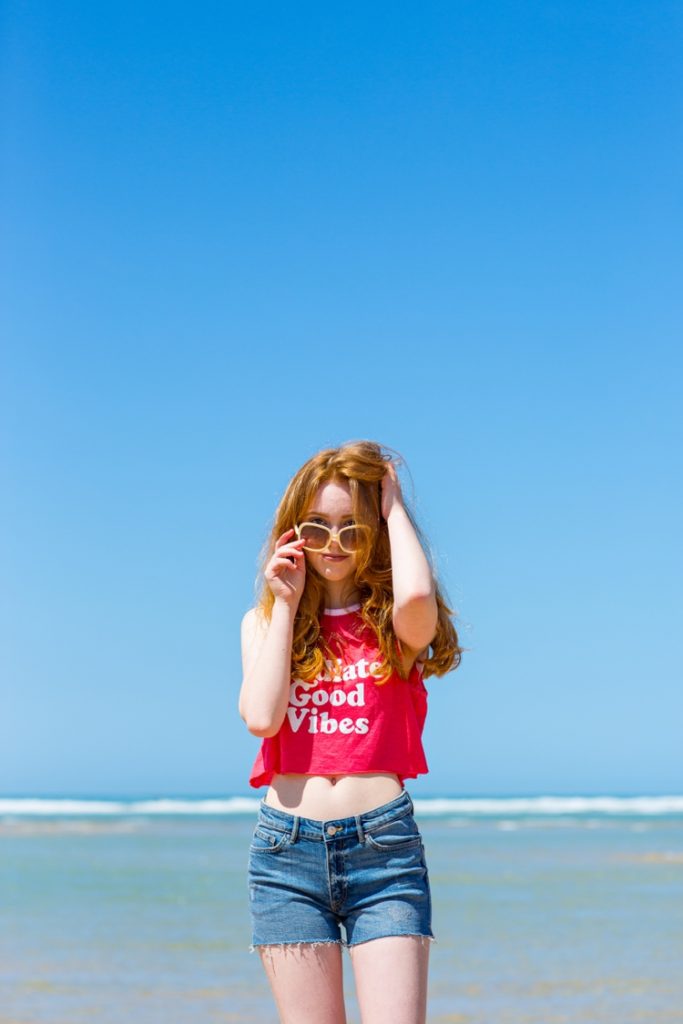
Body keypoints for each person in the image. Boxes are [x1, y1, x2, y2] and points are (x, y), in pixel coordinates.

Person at [239, 440, 462, 1024]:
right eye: (317, 527)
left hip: (383, 852)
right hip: (287, 855)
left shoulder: (395, 626)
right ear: (293, 534)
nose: (334, 544)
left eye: (352, 528)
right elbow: (261, 717)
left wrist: (391, 506)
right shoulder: (263, 622)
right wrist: (285, 605)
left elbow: (416, 593)